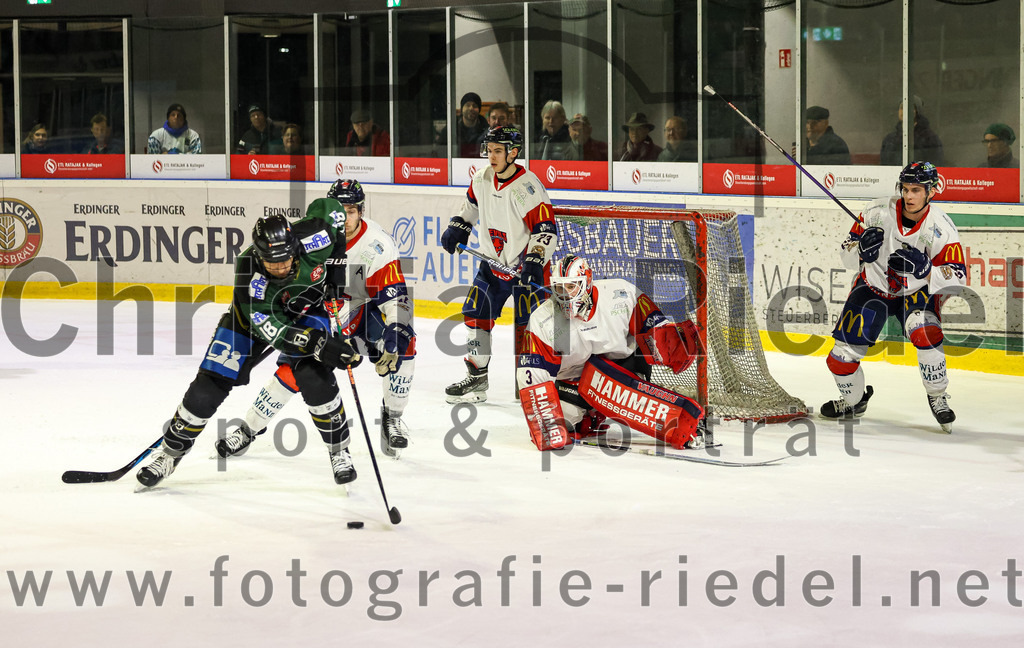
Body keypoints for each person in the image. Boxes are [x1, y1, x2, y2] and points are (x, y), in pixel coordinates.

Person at [134, 202, 361, 488]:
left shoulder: (315, 238)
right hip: (249, 321)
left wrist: (337, 268)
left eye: (284, 259)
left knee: (313, 376)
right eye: (271, 262)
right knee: (210, 385)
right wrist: (319, 344)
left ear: (295, 248)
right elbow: (273, 330)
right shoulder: (249, 274)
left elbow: (332, 211)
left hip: (306, 310)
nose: (279, 268)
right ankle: (169, 454)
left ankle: (339, 450)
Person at [218, 179, 416, 460]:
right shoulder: (310, 237)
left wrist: (397, 328)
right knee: (293, 370)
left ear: (361, 211)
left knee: (404, 343)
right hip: (318, 314)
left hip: (359, 312)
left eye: (351, 211)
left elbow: (397, 295)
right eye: (341, 210)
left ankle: (393, 417)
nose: (345, 218)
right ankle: (249, 429)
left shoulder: (378, 245)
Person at [820, 161, 965, 433]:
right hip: (873, 286)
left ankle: (937, 397)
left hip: (915, 292)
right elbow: (846, 253)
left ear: (931, 192)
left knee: (925, 333)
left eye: (917, 190)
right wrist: (861, 250)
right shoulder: (875, 211)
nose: (909, 196)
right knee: (838, 359)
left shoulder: (941, 227)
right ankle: (853, 401)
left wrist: (926, 270)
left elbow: (958, 276)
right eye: (906, 189)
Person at [516, 254, 704, 451]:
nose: (564, 294)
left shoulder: (620, 294)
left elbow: (654, 326)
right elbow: (533, 376)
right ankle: (591, 413)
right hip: (574, 382)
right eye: (559, 288)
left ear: (587, 282)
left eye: (571, 286)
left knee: (606, 380)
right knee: (565, 421)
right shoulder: (543, 320)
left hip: (623, 368)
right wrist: (546, 426)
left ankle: (682, 420)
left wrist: (668, 340)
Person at [440, 125, 558, 404]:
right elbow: (470, 208)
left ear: (513, 153)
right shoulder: (481, 179)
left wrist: (534, 261)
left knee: (540, 328)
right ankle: (478, 378)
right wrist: (458, 228)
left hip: (527, 270)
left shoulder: (527, 188)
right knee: (475, 316)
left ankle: (548, 383)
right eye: (489, 150)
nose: (491, 156)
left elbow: (546, 229)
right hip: (493, 266)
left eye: (497, 151)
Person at [880, 97, 944, 166]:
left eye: (909, 108)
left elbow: (936, 164)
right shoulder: (889, 139)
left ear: (917, 111)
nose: (904, 111)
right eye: (902, 108)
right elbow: (884, 166)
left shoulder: (930, 138)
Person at [456, 92, 487, 158]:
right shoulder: (451, 129)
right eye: (467, 105)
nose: (471, 108)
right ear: (462, 108)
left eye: (475, 106)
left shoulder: (486, 130)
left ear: (479, 110)